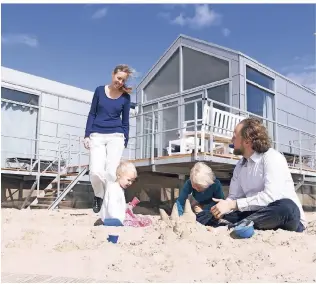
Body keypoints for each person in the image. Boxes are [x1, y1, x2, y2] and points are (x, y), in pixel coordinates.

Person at [210, 118, 306, 232]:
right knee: (206, 216)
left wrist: (232, 204)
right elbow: (234, 198)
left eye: (235, 136)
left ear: (247, 141)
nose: (232, 140)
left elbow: (271, 197)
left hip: (284, 217)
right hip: (257, 214)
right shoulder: (240, 165)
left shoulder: (272, 157)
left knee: (288, 207)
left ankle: (232, 227)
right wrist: (223, 206)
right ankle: (238, 225)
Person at [83, 64, 132, 213]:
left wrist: (125, 139)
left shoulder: (125, 97)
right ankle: (99, 195)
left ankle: (110, 204)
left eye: (123, 80)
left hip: (116, 136)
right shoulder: (99, 91)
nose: (120, 82)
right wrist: (87, 134)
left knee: (111, 173)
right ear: (113, 75)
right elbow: (92, 113)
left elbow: (125, 121)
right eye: (118, 78)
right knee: (95, 171)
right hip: (97, 134)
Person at [175, 162, 225, 226]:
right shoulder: (189, 183)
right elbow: (180, 202)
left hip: (211, 208)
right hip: (197, 205)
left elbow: (220, 203)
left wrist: (207, 213)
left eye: (199, 187)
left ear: (208, 183)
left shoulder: (215, 184)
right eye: (194, 186)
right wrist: (179, 217)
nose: (197, 189)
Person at [99, 160, 137, 226]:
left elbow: (120, 205)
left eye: (132, 181)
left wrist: (127, 207)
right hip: (110, 219)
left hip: (116, 219)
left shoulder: (120, 188)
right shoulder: (113, 188)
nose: (130, 183)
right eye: (128, 180)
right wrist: (118, 219)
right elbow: (111, 206)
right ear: (119, 176)